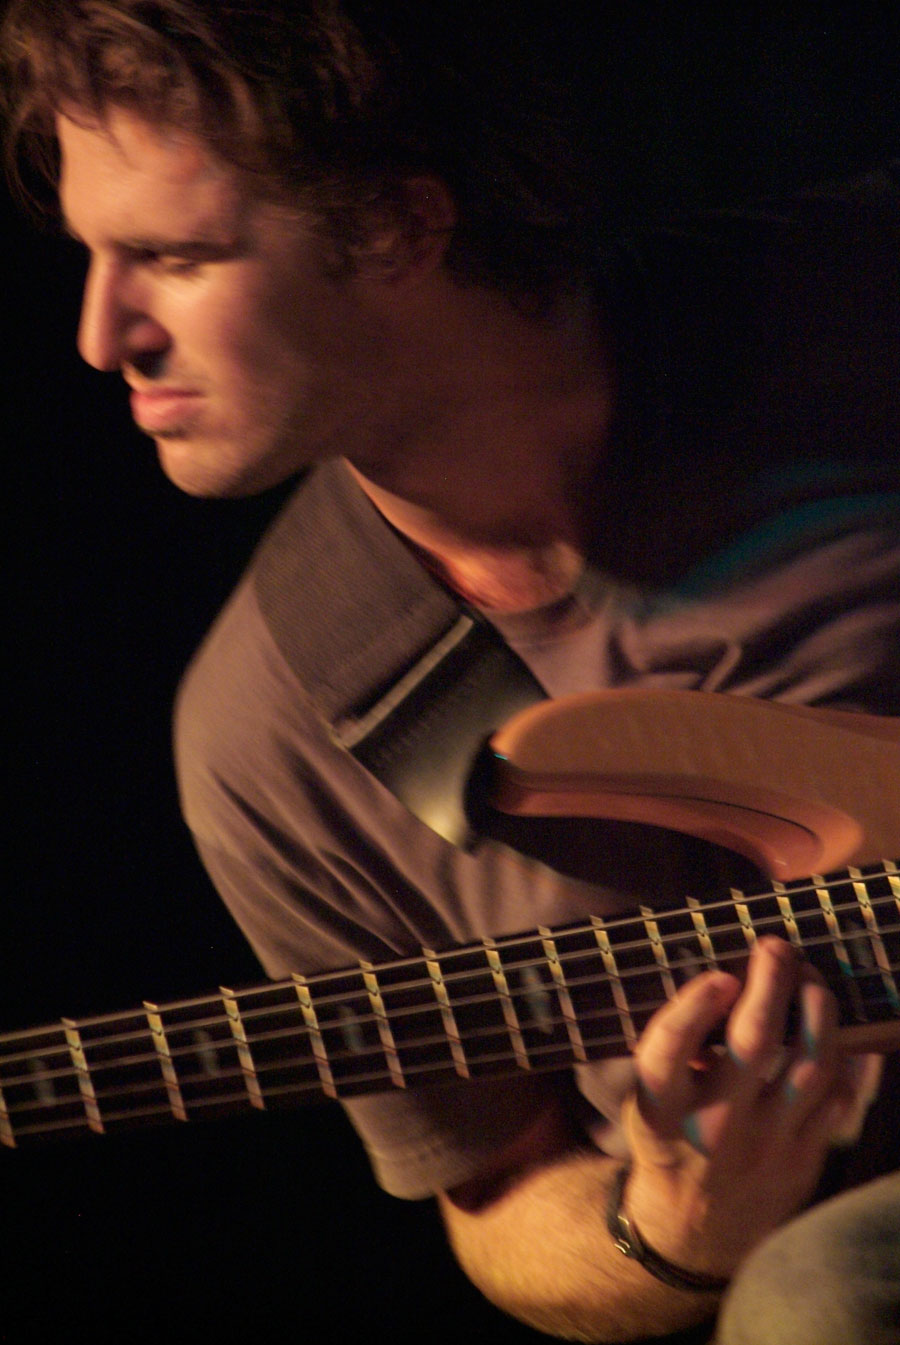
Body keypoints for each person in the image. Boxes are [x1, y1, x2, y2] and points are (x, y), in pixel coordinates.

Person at [3, 3, 898, 1340]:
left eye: (172, 256)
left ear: (399, 227)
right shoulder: (273, 724)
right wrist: (671, 1224)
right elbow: (501, 1195)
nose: (100, 332)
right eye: (91, 254)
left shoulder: (844, 301)